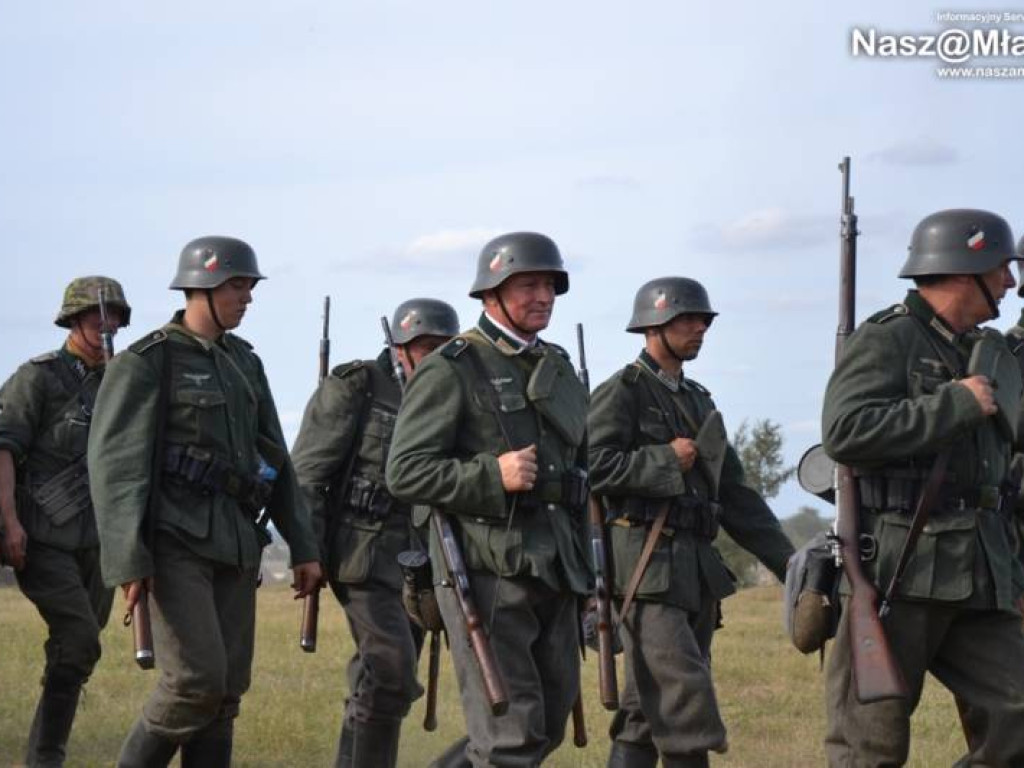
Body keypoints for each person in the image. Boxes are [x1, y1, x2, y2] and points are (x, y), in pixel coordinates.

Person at [87, 236, 322, 767]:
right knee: (195, 681)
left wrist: (304, 546)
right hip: (173, 542)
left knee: (225, 693)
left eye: (248, 287)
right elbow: (115, 469)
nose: (247, 298)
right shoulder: (149, 361)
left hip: (236, 542)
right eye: (238, 286)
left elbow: (277, 462)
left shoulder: (245, 364)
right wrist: (128, 560)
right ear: (204, 287)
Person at [821, 209, 1024, 767]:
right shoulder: (889, 339)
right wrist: (953, 403)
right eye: (1003, 267)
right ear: (968, 268)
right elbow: (845, 431)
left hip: (983, 570)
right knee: (872, 745)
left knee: (1018, 719)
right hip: (901, 567)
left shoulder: (983, 350)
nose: (1010, 280)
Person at [386, 232, 591, 767]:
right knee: (509, 739)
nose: (543, 295)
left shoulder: (558, 367)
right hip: (486, 570)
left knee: (546, 724)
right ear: (490, 295)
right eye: (527, 284)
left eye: (550, 285)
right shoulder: (452, 366)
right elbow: (405, 472)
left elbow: (580, 471)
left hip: (556, 565)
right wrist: (490, 475)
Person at [587, 276, 794, 768]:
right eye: (687, 320)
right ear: (653, 326)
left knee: (643, 713)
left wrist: (793, 565)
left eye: (703, 320)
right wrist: (661, 460)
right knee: (685, 705)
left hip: (694, 573)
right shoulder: (622, 392)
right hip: (644, 572)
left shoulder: (699, 399)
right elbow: (590, 468)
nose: (699, 328)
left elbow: (736, 495)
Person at [291, 297, 469, 768]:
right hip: (361, 552)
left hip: (425, 560)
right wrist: (306, 550)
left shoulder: (454, 399)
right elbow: (308, 474)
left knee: (379, 679)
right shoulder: (358, 387)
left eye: (444, 348)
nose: (434, 358)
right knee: (391, 673)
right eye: (425, 347)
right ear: (399, 346)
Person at [0, 276, 130, 767]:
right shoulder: (38, 377)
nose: (106, 323)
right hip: (42, 537)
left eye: (115, 315)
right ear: (73, 320)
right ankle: (46, 757)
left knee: (76, 653)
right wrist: (9, 522)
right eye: (96, 315)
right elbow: (4, 448)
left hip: (100, 543)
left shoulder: (124, 383)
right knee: (78, 639)